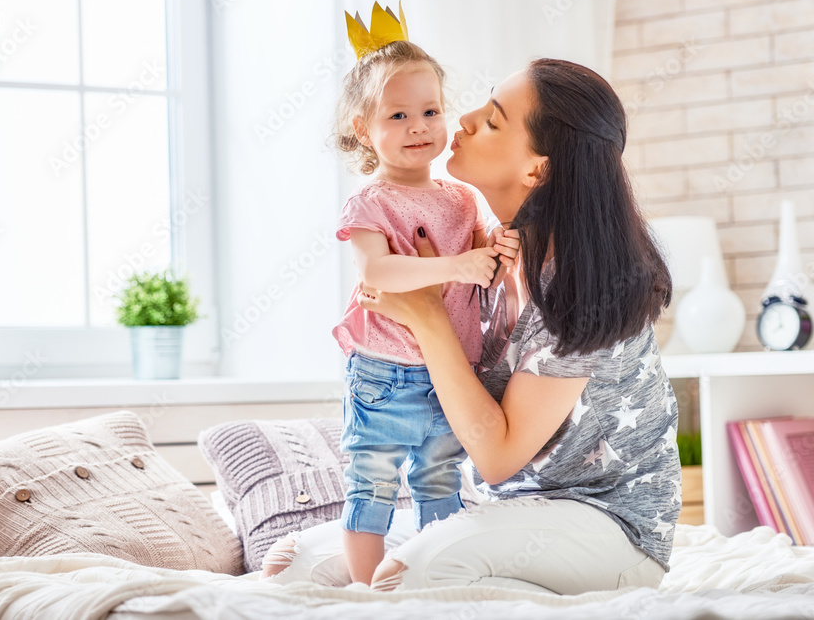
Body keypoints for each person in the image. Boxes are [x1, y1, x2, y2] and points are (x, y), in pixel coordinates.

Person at [262, 58, 680, 594]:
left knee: (406, 578)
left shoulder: (587, 288)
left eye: (494, 119)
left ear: (537, 169)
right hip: (509, 508)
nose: (463, 119)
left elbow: (498, 455)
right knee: (292, 564)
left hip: (607, 525)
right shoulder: (487, 248)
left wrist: (427, 316)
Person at [329, 10, 518, 585]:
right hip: (384, 372)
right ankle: (365, 592)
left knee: (440, 481)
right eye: (399, 115)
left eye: (431, 111)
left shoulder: (461, 198)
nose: (419, 127)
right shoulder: (371, 201)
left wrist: (494, 243)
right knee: (372, 482)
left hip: (450, 370)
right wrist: (460, 262)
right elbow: (378, 271)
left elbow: (477, 254)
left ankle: (435, 580)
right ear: (365, 129)